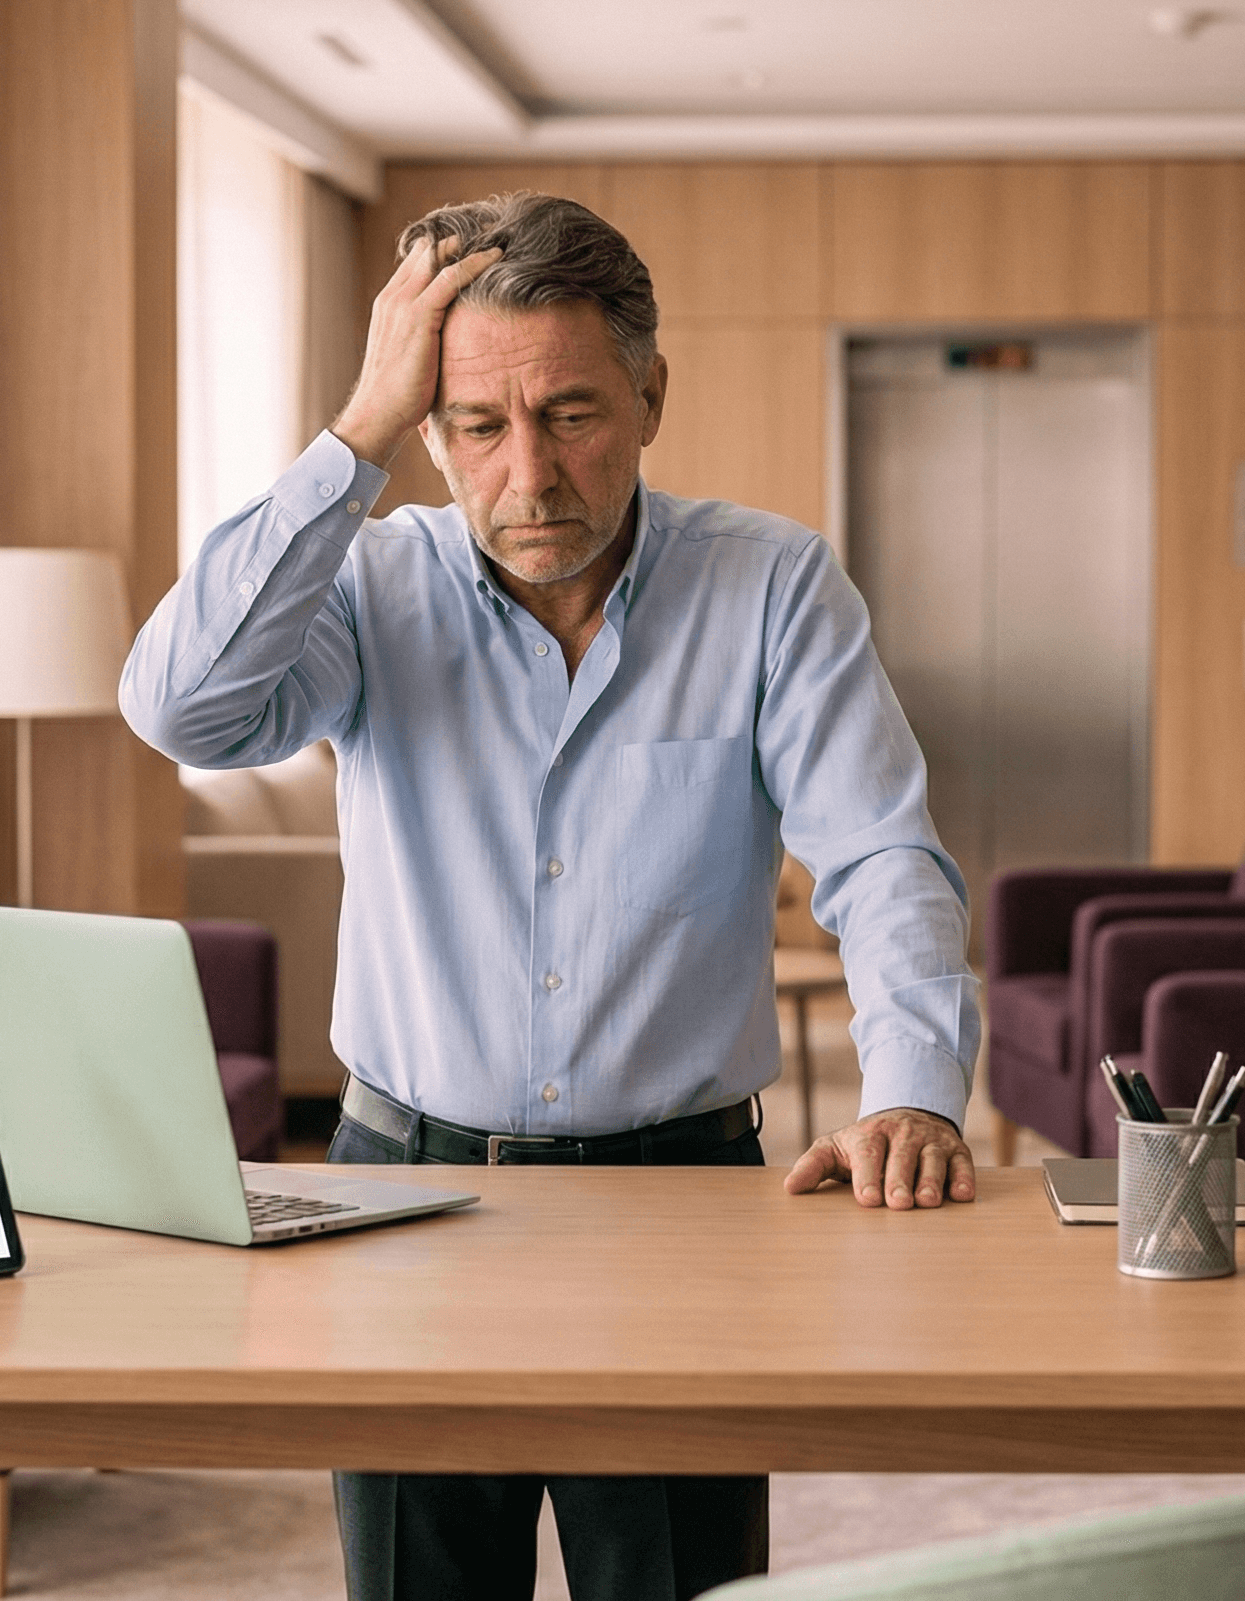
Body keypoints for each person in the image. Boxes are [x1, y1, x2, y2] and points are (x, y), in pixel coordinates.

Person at [120, 192, 979, 1601]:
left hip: (681, 1209)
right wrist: (353, 439)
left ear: (649, 393)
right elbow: (183, 715)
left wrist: (915, 1088)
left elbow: (879, 852)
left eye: (573, 414)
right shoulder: (366, 582)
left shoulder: (770, 587)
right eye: (474, 426)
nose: (530, 475)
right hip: (402, 1196)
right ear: (429, 425)